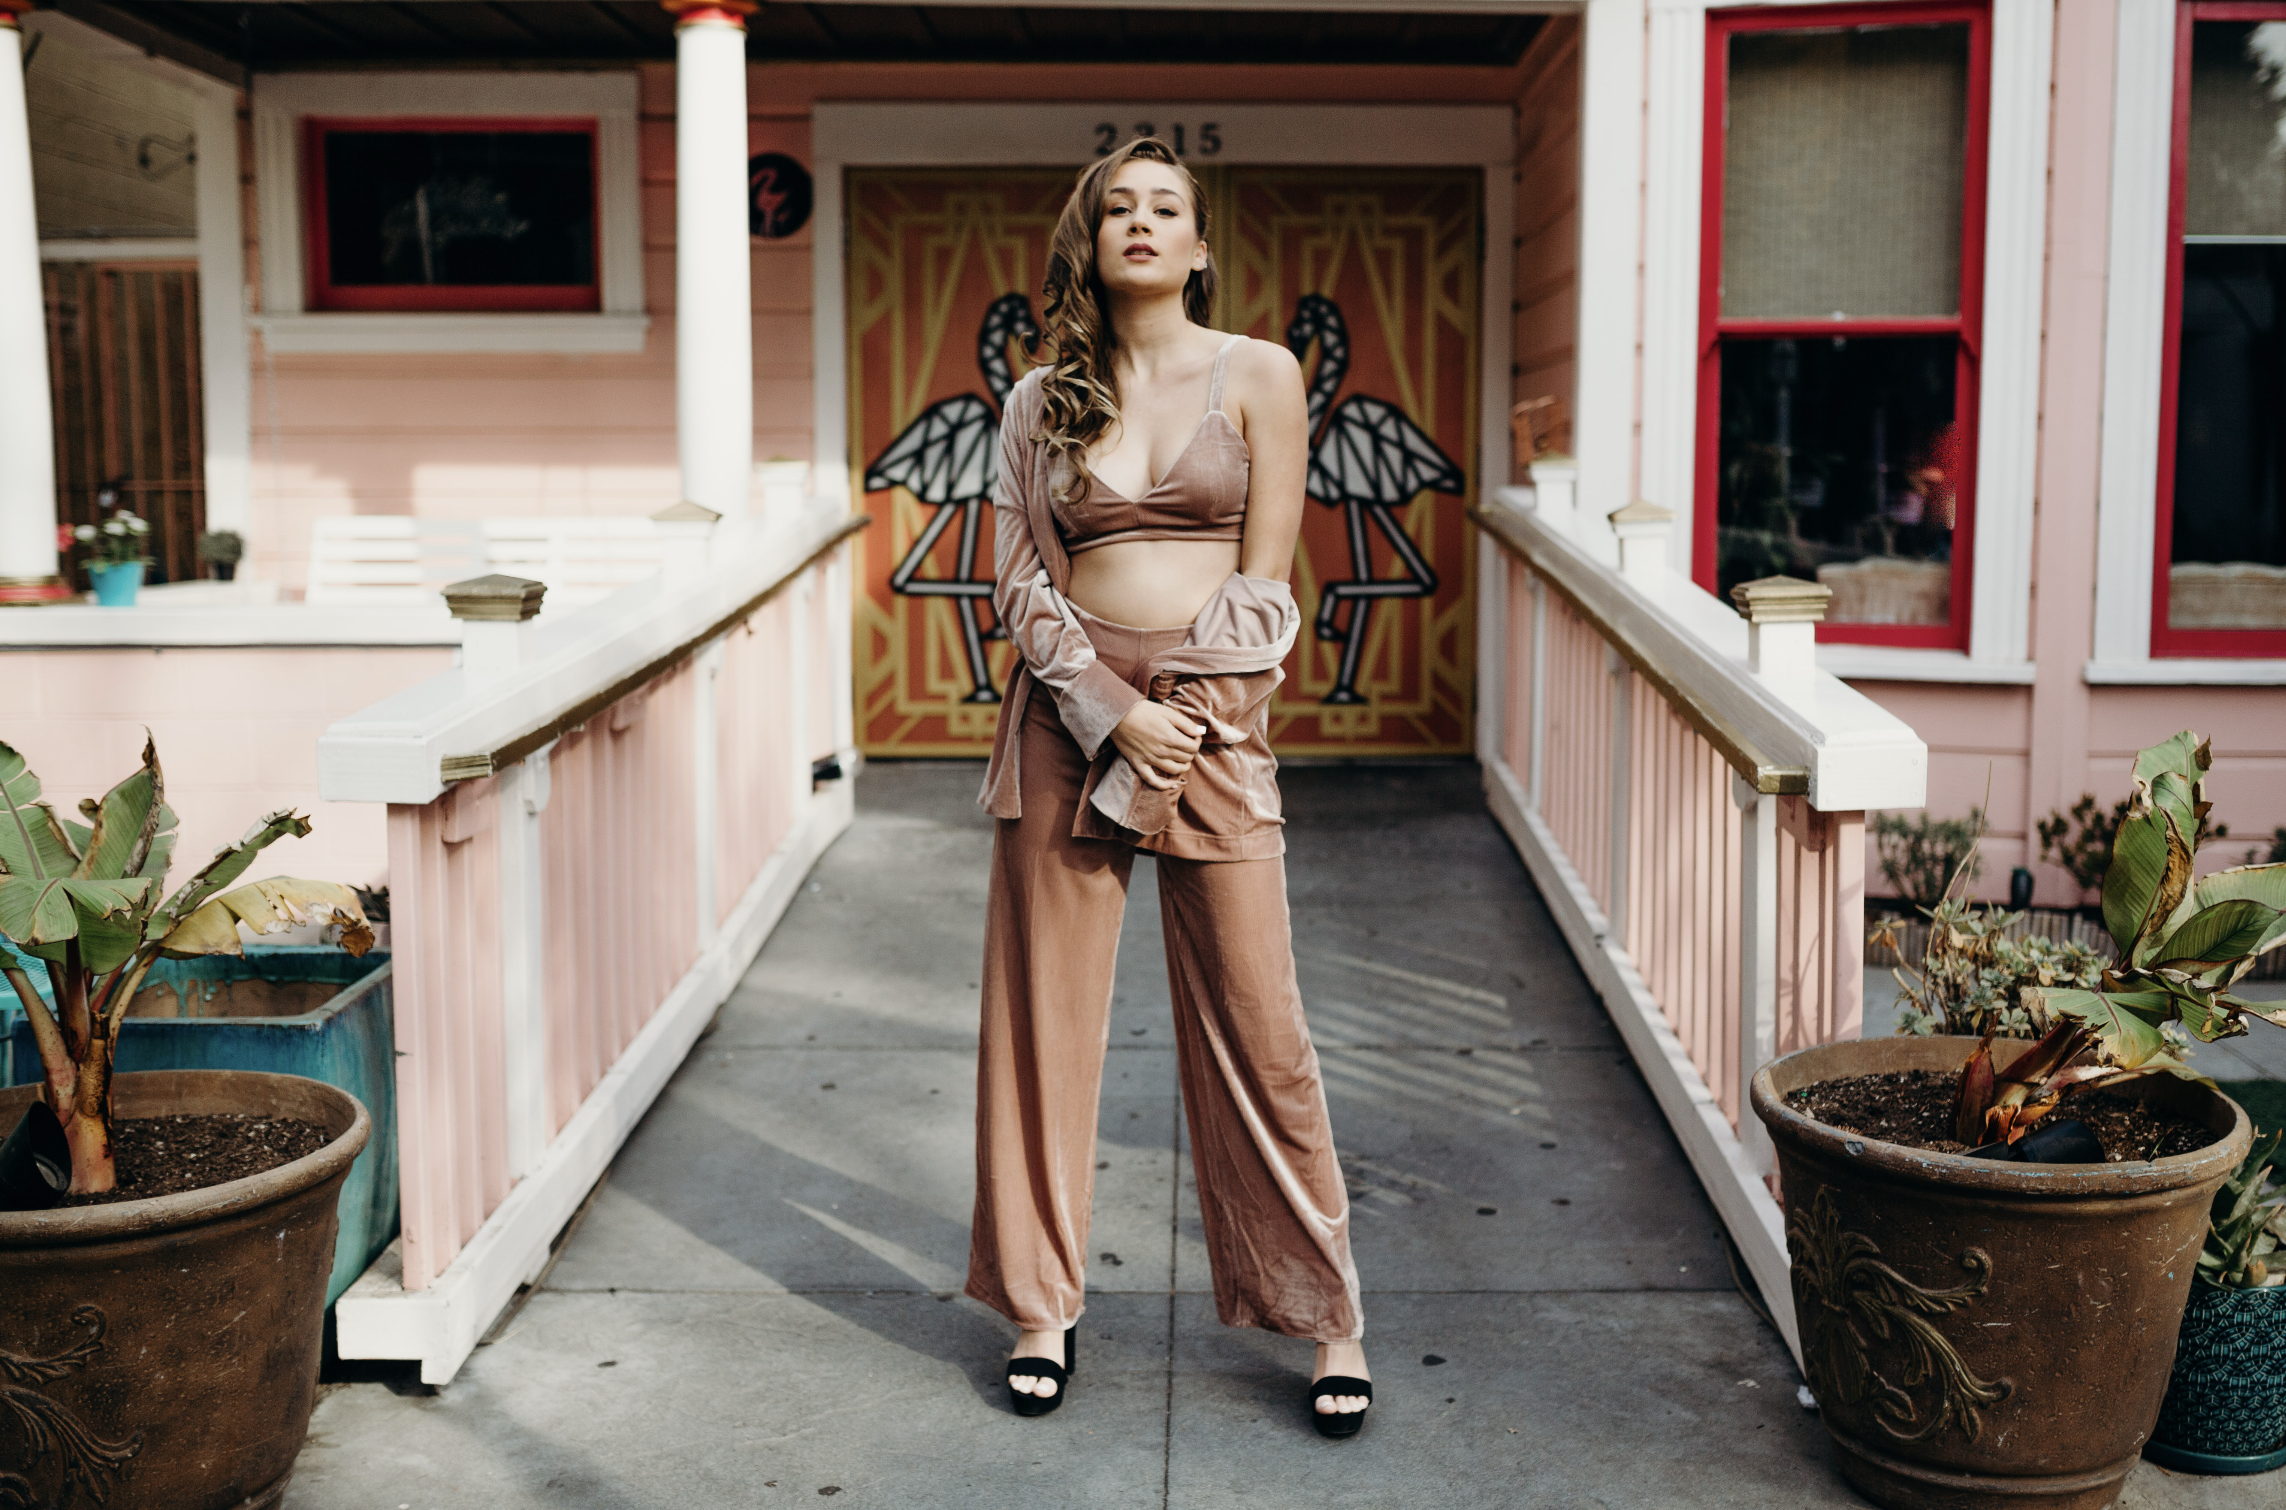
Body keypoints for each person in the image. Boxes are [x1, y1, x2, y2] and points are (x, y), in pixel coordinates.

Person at [964, 136, 1371, 1438]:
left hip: (1212, 723)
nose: (1140, 223)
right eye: (1117, 209)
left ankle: (1328, 1315)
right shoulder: (1039, 400)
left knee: (1263, 1024)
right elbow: (1017, 577)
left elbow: (1266, 581)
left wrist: (1180, 722)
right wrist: (1108, 710)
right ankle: (1040, 1308)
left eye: (1166, 207)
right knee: (1041, 1030)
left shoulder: (1259, 374)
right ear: (1088, 244)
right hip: (1069, 718)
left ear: (1199, 247)